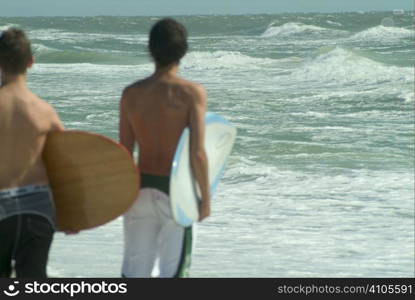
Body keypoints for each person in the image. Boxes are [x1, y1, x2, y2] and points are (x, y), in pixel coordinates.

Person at [119, 18, 210, 278]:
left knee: (134, 271)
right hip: (176, 192)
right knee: (174, 272)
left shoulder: (131, 93)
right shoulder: (192, 93)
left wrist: (117, 197)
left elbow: (124, 152)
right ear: (183, 51)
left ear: (150, 49)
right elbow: (198, 153)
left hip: (138, 190)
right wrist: (205, 199)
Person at [0, 28, 64, 277]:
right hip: (37, 209)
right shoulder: (44, 111)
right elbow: (66, 163)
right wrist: (72, 213)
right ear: (31, 62)